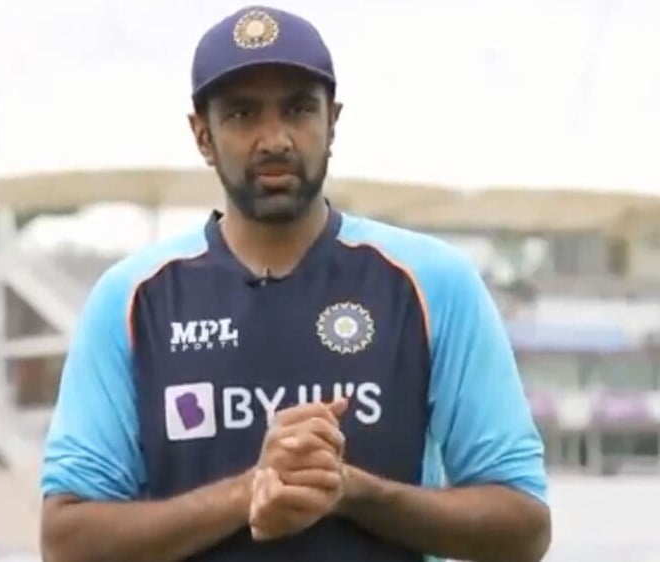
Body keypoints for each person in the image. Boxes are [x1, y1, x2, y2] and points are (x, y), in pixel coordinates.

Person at [39, 5, 551, 562]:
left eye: (299, 109)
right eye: (242, 114)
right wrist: (250, 491)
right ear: (202, 135)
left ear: (333, 122)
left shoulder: (433, 283)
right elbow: (67, 540)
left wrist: (352, 491)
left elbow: (523, 528)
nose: (275, 138)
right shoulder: (133, 298)